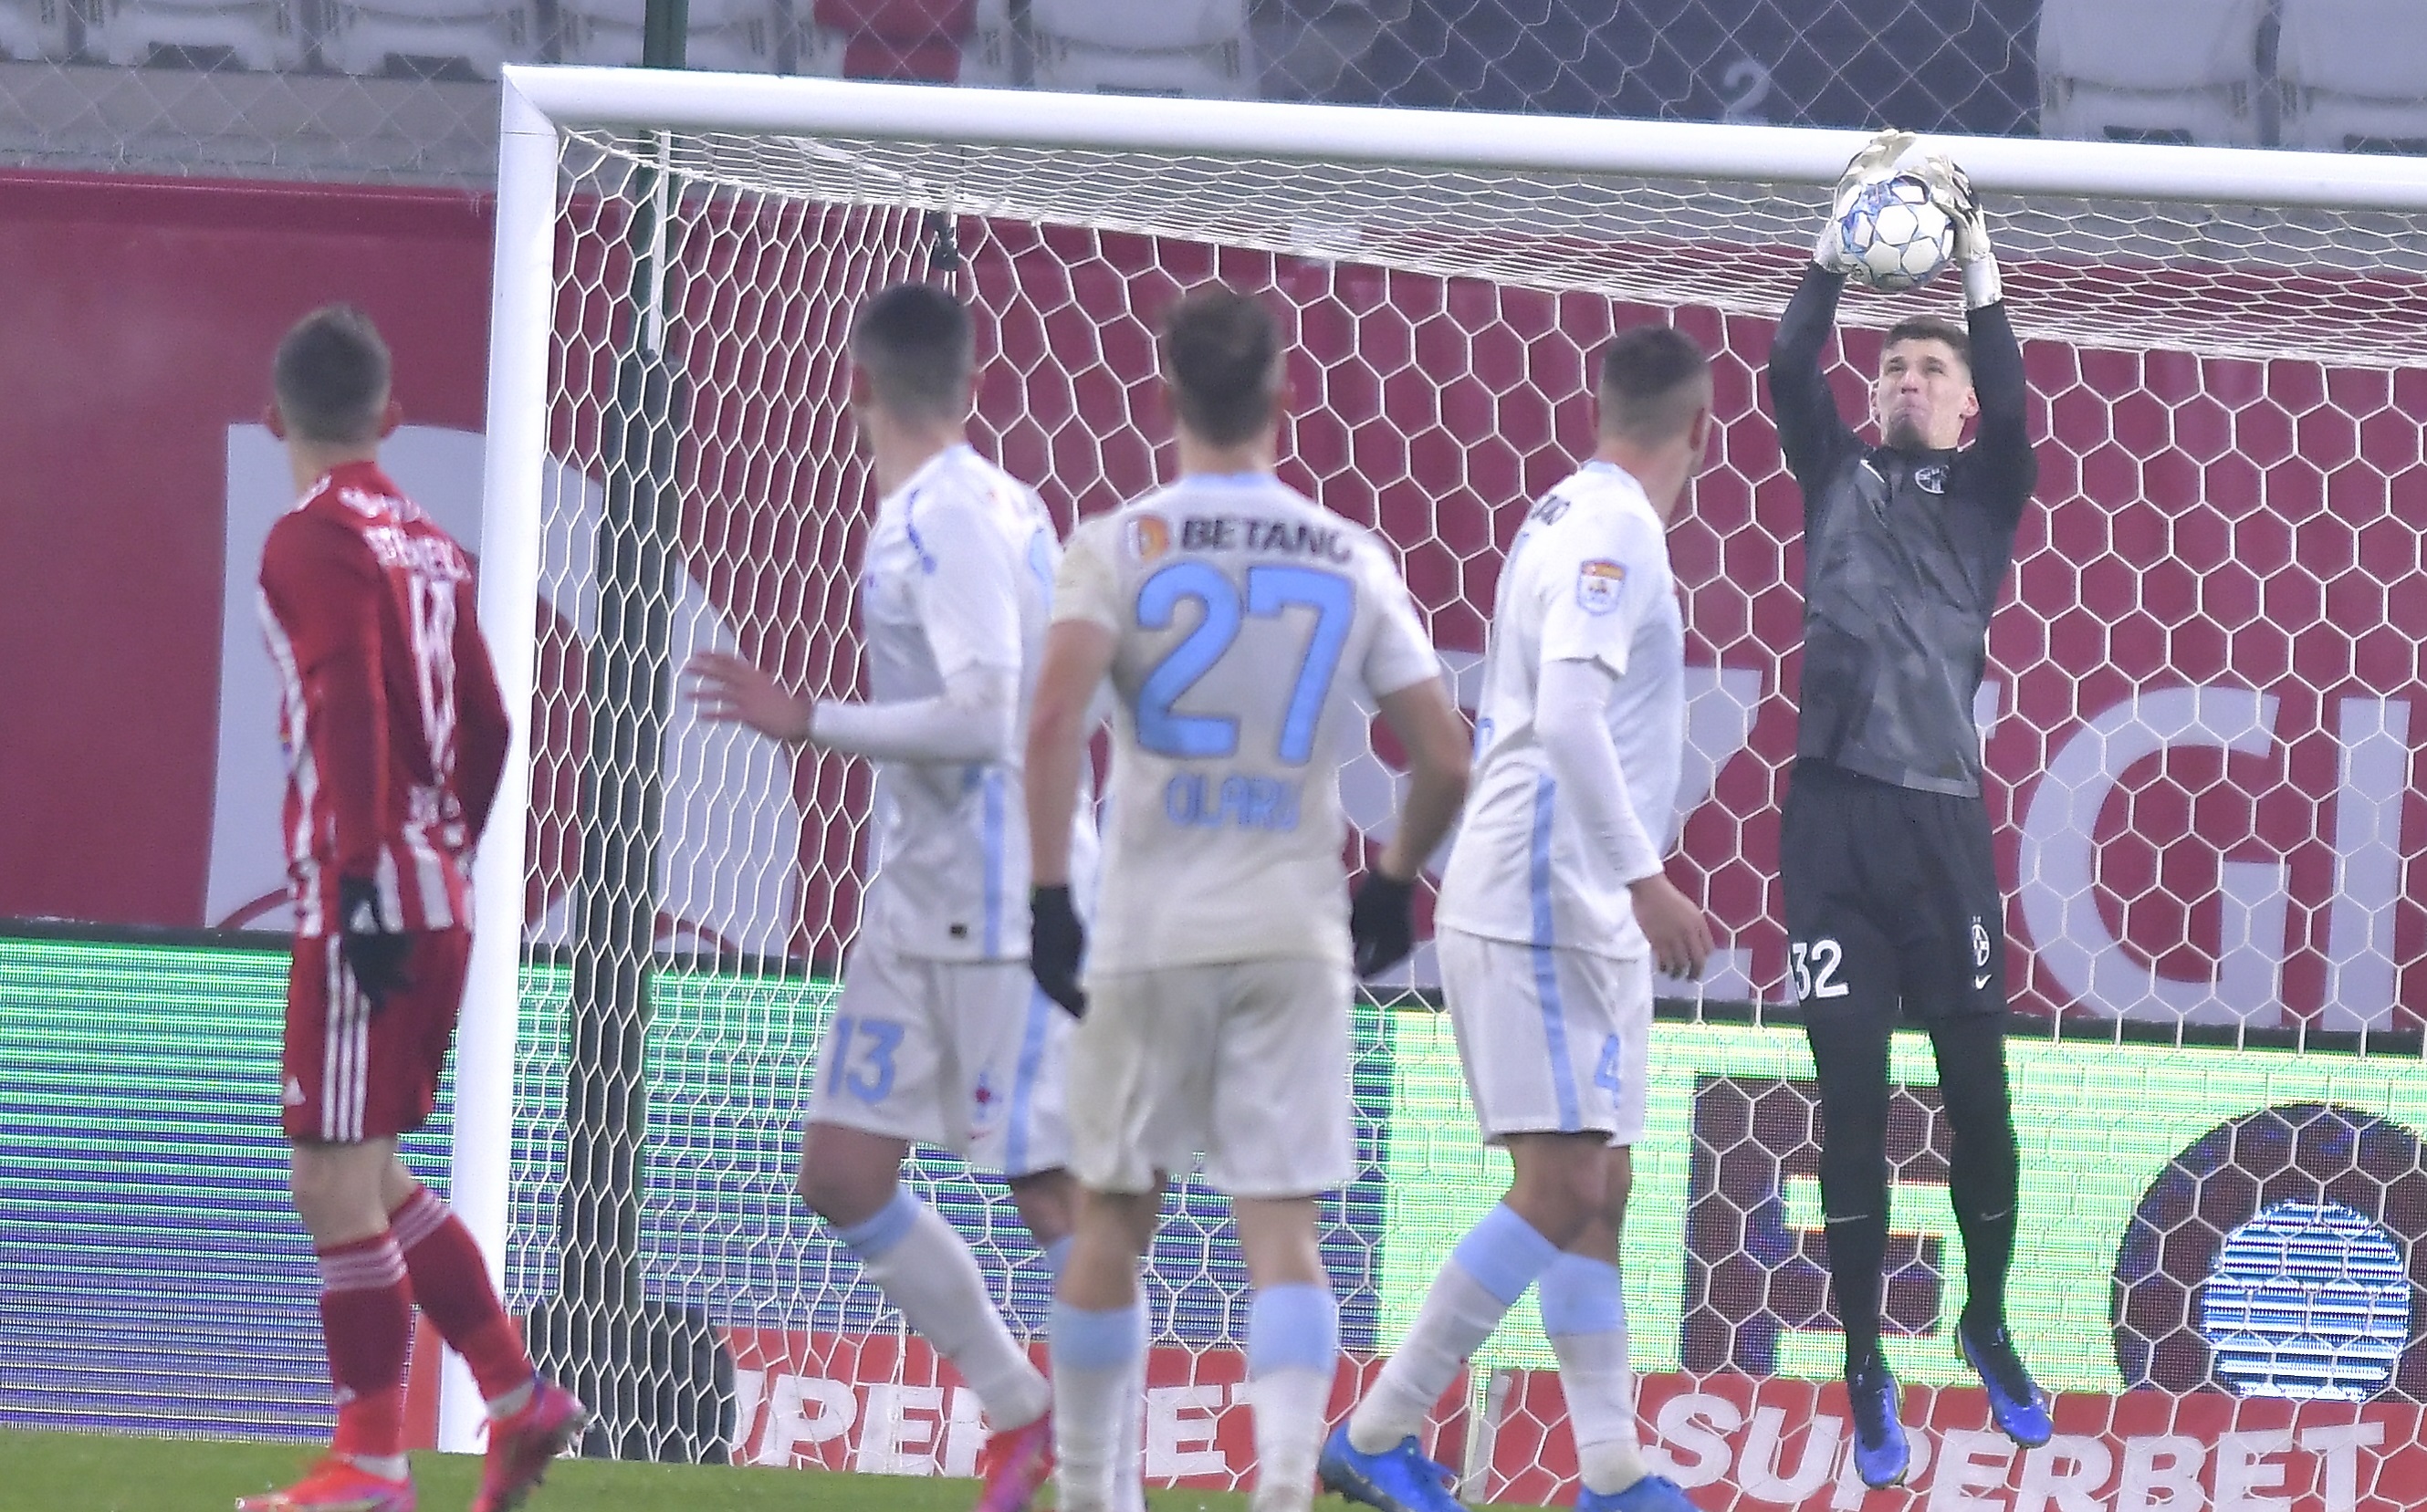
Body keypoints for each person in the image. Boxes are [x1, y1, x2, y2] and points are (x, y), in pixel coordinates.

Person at [1023, 286, 1471, 1512]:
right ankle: (1279, 1489)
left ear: (1163, 395)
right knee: (1284, 1234)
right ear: (1283, 395)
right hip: (1293, 930)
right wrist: (1390, 881)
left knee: (1112, 1218)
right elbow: (1444, 756)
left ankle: (1098, 1496)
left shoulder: (1115, 544)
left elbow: (1053, 716)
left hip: (1151, 928)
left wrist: (1049, 895)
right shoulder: (1349, 555)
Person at [685, 280, 1092, 1512]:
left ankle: (1100, 1456)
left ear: (855, 382)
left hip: (992, 905)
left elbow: (989, 711)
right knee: (843, 1171)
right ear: (970, 385)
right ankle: (1024, 1409)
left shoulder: (956, 521)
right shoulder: (990, 507)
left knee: (1045, 1185)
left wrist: (806, 718)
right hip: (915, 904)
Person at [1320, 326, 1719, 1512]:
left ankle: (1611, 1471)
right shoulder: (1614, 534)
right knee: (1556, 1186)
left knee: (1604, 1183)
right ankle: (1378, 1430)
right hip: (1547, 897)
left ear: (1610, 412)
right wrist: (1647, 878)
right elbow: (1575, 720)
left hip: (1574, 907)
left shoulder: (1561, 510)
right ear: (1698, 431)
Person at [246, 304, 586, 1512]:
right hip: (438, 888)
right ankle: (513, 1389)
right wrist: (442, 856)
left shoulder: (308, 538)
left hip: (368, 891)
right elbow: (491, 726)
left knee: (329, 1180)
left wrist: (358, 871)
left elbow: (347, 700)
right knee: (373, 1168)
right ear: (388, 416)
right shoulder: (434, 543)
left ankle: (374, 1465)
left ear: (277, 412)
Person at [1764, 131, 2051, 1488]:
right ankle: (1866, 1357)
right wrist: (1831, 251)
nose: (1905, 378)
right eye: (1891, 363)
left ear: (1963, 407)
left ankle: (1985, 1319)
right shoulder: (1834, 472)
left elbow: (2011, 380)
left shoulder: (1991, 489)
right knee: (1851, 1102)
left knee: (1981, 1099)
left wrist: (1975, 256)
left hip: (1944, 825)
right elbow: (1781, 370)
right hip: (1829, 827)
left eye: (1928, 369)